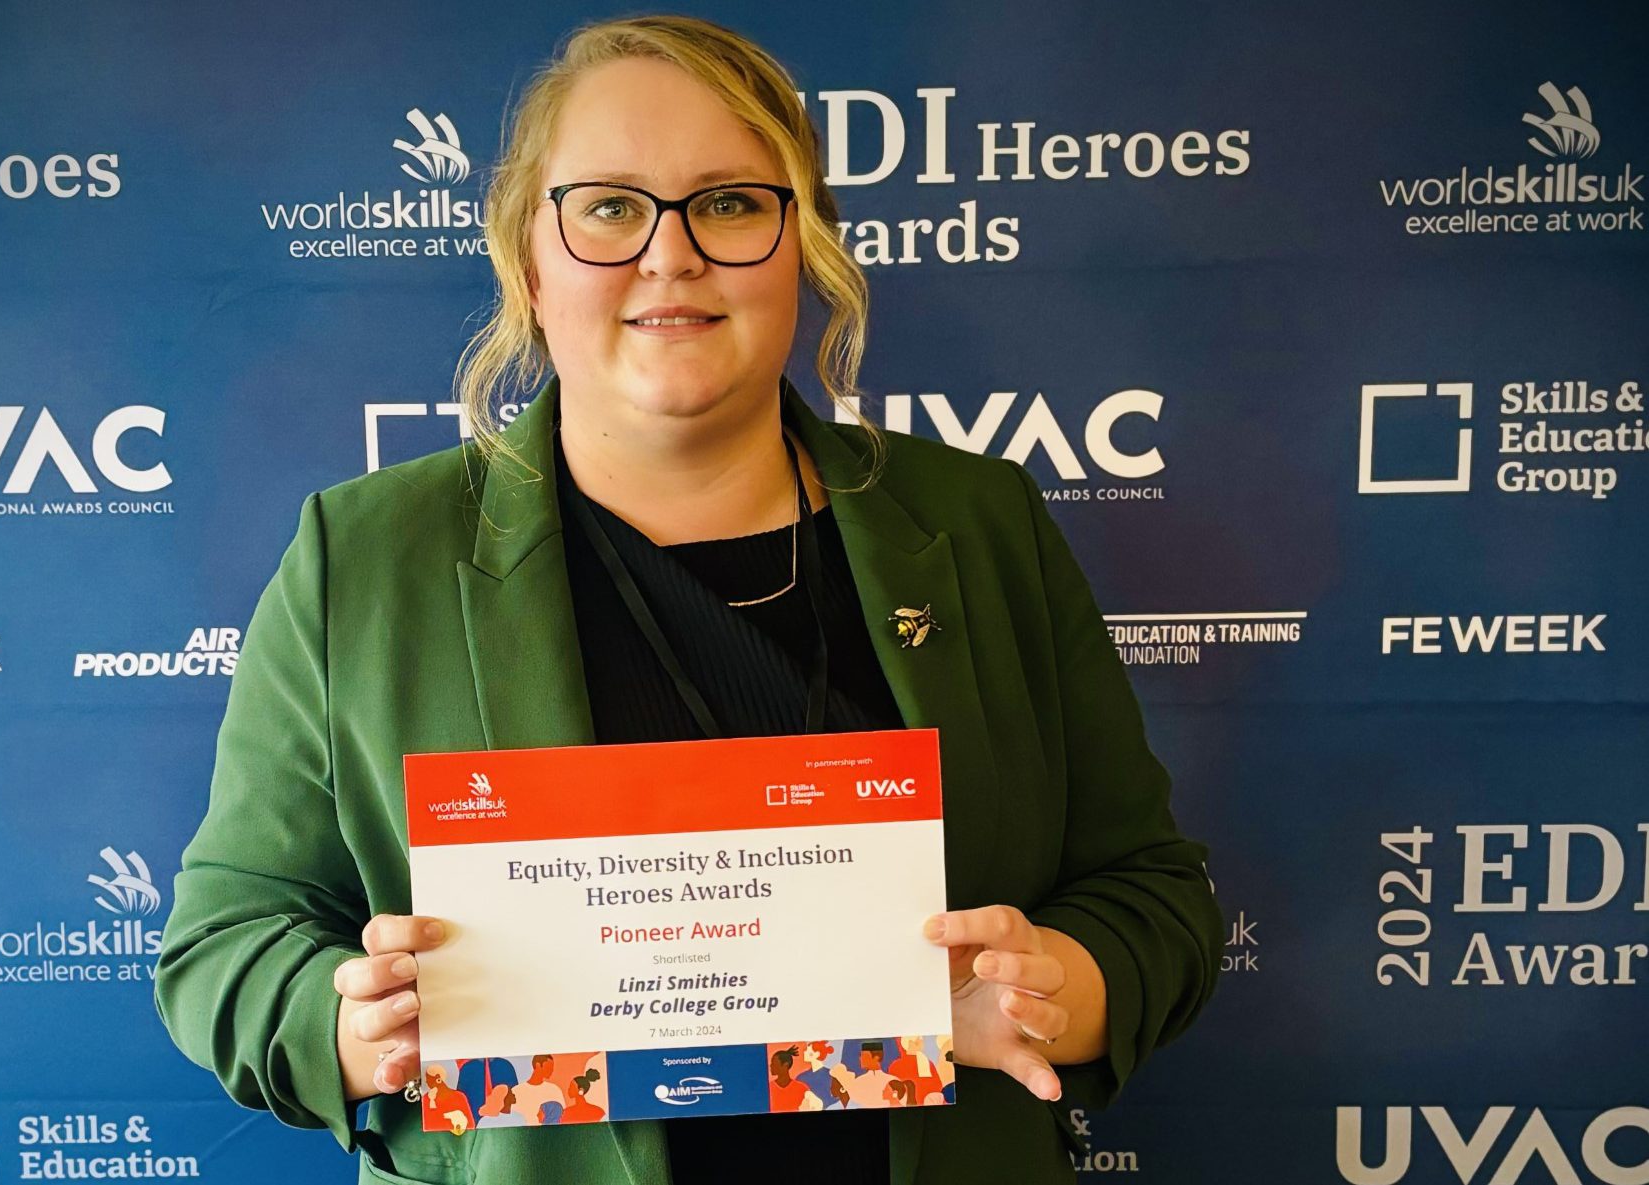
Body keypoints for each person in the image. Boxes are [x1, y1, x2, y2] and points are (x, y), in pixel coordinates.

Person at [152, 13, 1224, 1185]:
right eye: (608, 206)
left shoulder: (976, 526)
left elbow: (1154, 895)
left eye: (727, 203)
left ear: (800, 245)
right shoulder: (360, 557)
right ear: (529, 257)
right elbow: (221, 947)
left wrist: (1061, 990)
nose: (670, 255)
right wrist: (349, 1026)